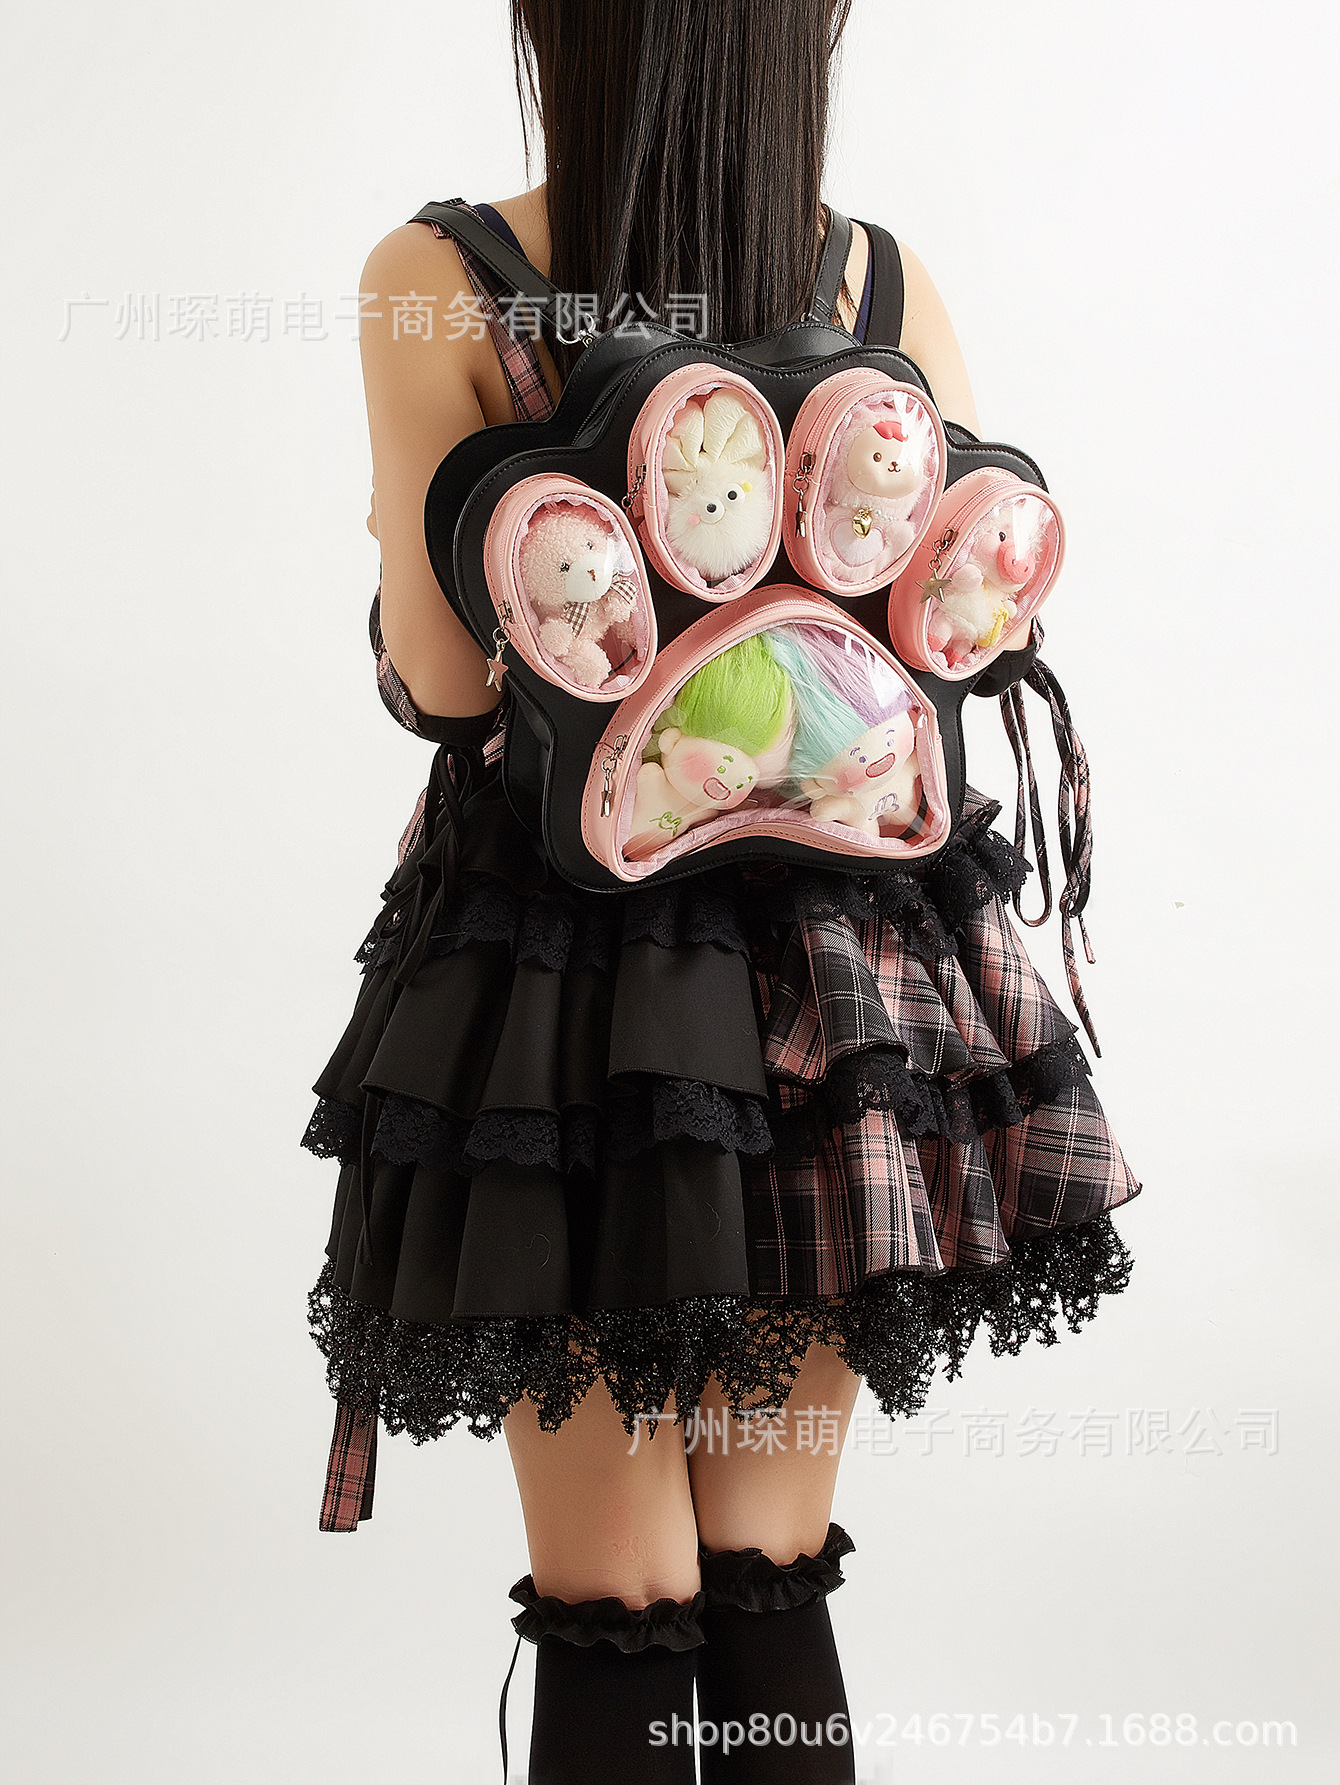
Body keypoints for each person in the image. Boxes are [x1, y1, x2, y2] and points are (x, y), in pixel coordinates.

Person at [301, 4, 1142, 1779]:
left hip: (565, 1020)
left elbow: (446, 686)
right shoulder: (883, 287)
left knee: (618, 1591)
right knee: (770, 1574)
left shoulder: (441, 284)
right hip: (840, 1013)